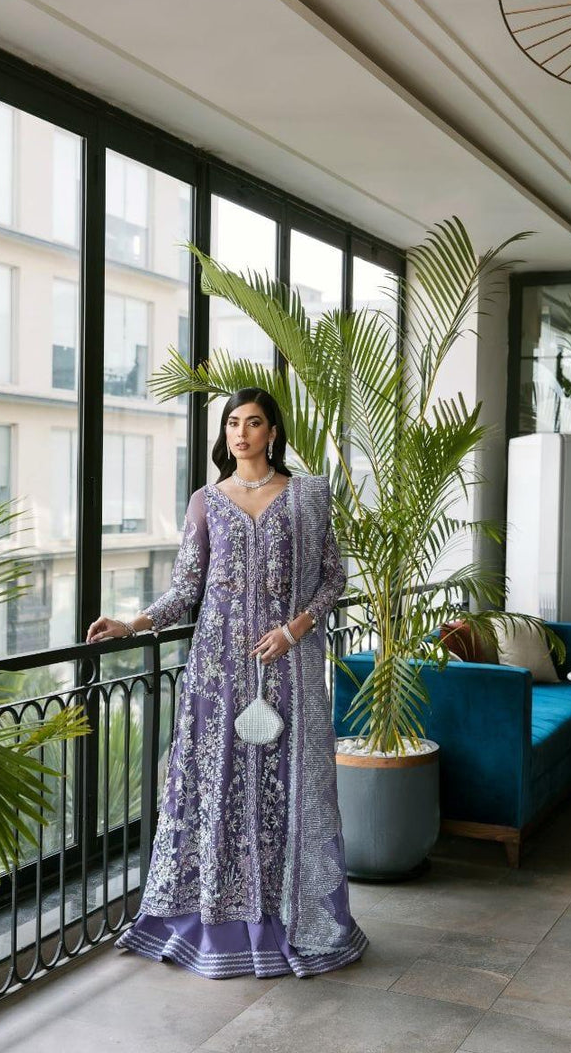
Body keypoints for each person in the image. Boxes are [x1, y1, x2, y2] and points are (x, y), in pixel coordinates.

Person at [87, 386, 368, 979]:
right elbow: (186, 590)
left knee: (284, 788)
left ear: (273, 432)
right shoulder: (206, 502)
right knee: (220, 788)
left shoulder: (308, 496)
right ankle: (217, 919)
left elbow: (333, 578)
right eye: (233, 423)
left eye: (254, 422)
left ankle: (287, 918)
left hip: (288, 668)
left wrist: (293, 630)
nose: (241, 433)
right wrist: (131, 624)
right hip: (217, 671)